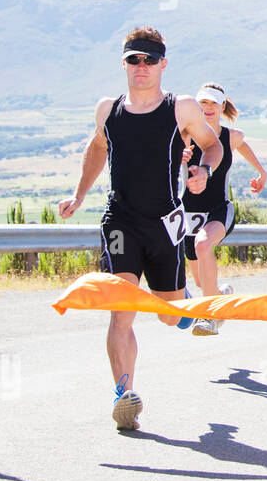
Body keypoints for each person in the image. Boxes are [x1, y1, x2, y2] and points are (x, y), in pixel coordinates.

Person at [57, 26, 222, 431]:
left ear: (163, 63)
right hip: (121, 221)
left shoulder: (180, 107)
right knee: (122, 307)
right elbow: (98, 147)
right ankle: (124, 395)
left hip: (165, 223)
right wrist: (79, 195)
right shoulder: (107, 110)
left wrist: (203, 169)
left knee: (168, 314)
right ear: (125, 64)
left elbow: (213, 144)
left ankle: (185, 308)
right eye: (134, 59)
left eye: (150, 59)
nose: (142, 66)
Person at [179, 82, 267, 336]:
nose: (207, 108)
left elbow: (243, 146)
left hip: (219, 209)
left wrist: (261, 172)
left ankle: (210, 317)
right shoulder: (185, 135)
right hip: (189, 215)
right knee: (200, 281)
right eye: (202, 103)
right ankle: (222, 296)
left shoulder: (231, 137)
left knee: (203, 245)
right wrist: (179, 157)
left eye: (212, 104)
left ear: (222, 107)